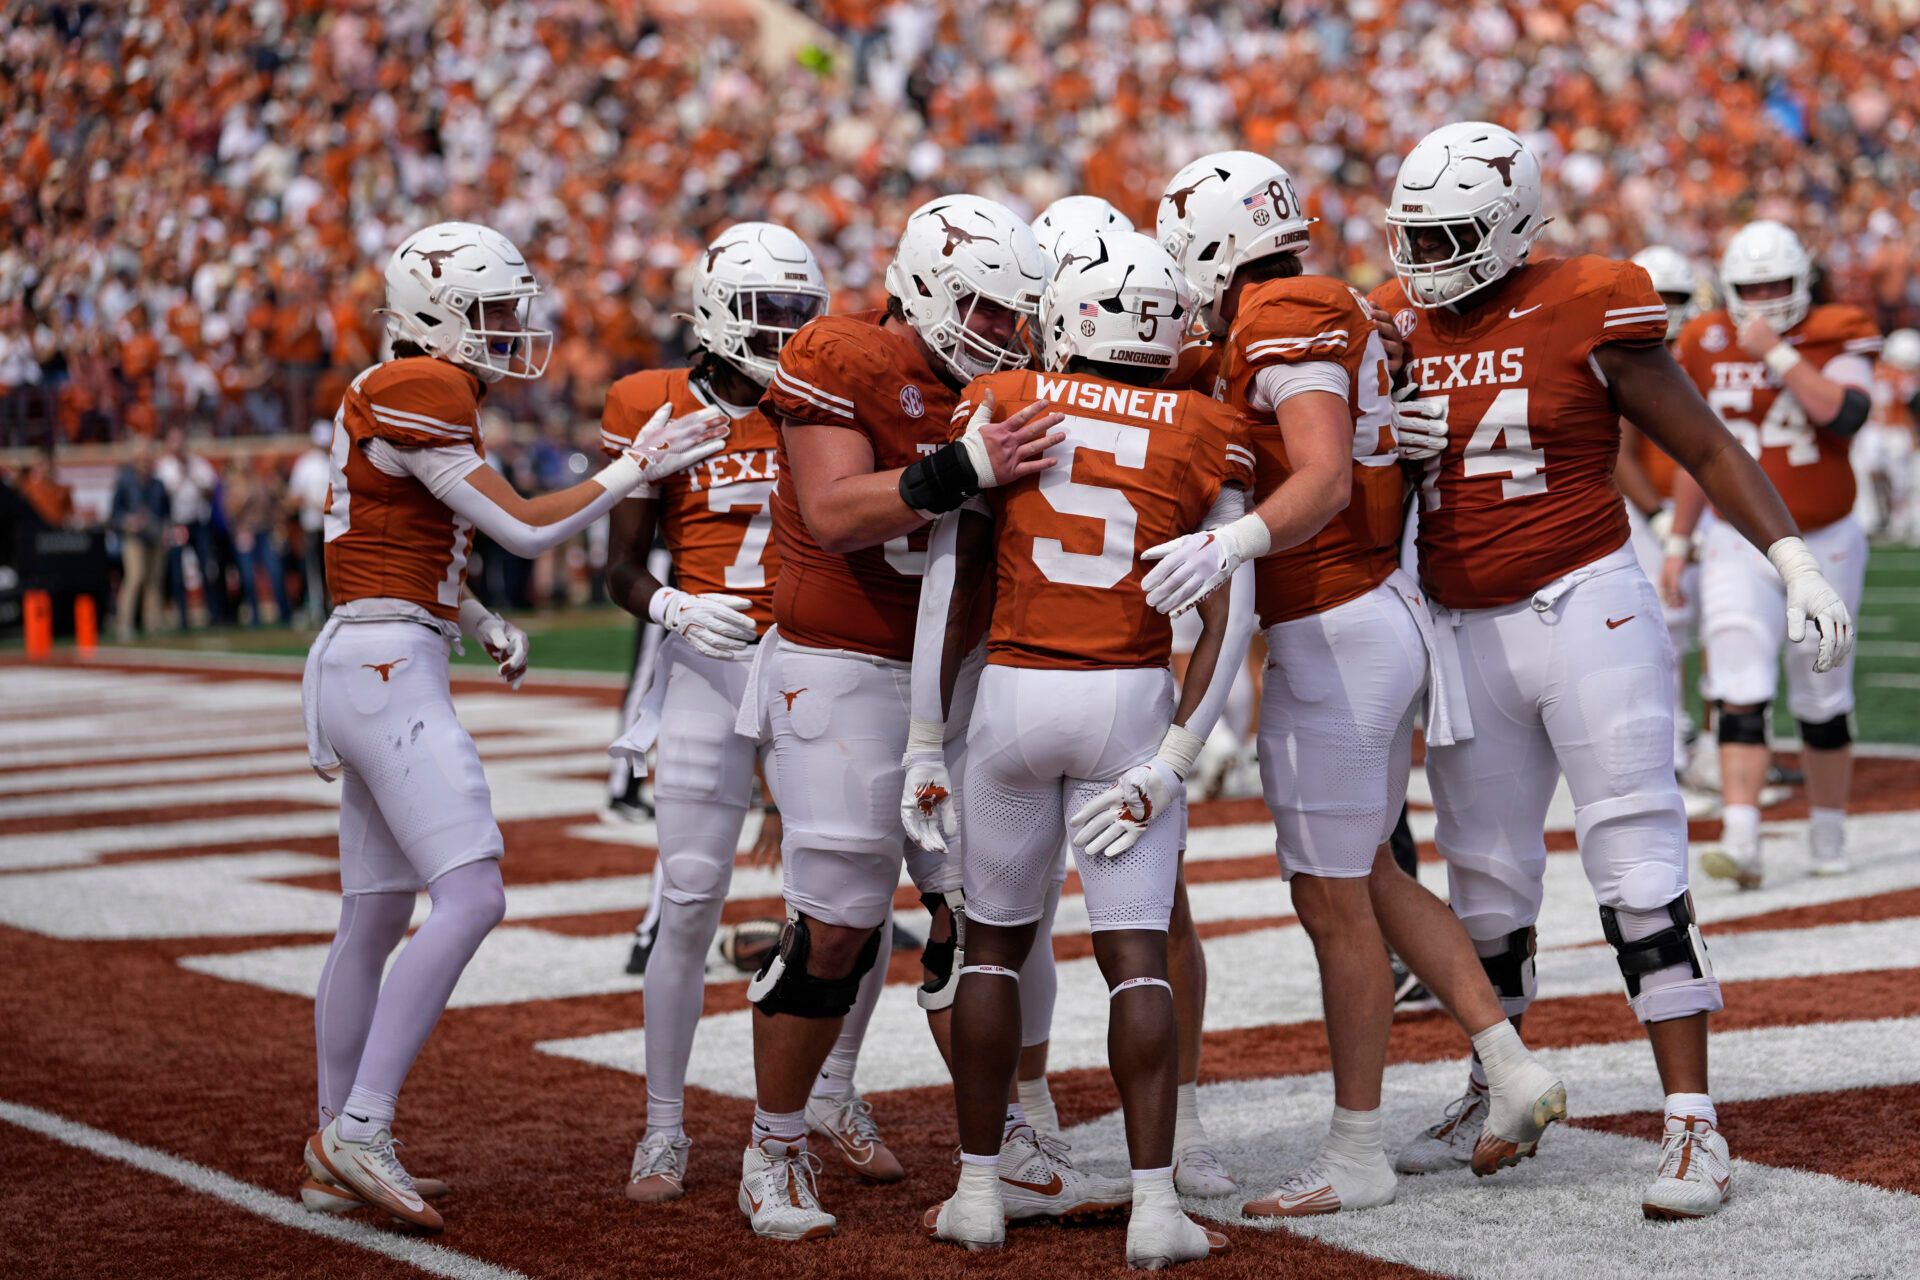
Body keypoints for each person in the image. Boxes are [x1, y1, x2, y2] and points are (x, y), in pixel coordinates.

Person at [1363, 123, 1853, 1219]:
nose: (1426, 257)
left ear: (1511, 226)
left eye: (1450, 234)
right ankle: (1498, 1085)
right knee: (1486, 879)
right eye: (1417, 233)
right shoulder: (1396, 326)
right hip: (1463, 622)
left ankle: (1691, 1121)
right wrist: (1380, 441)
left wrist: (1792, 559)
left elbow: (1710, 445)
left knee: (1636, 855)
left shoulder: (1594, 297)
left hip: (1589, 598)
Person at [1144, 150, 1565, 1216]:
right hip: (1365, 614)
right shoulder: (1325, 309)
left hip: (1333, 623)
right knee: (1364, 872)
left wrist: (1235, 539)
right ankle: (1509, 1063)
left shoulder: (1284, 311)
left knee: (1329, 897)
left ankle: (1356, 1149)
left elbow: (1324, 473)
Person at [298, 221, 728, 1232]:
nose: (508, 330)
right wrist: (636, 469)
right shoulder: (422, 386)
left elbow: (391, 533)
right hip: (387, 673)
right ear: (437, 314)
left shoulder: (398, 391)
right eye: (492, 312)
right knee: (473, 893)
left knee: (370, 914)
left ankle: (331, 1142)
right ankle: (357, 1125)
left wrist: (479, 618)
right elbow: (528, 525)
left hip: (374, 652)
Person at [910, 230, 1246, 1267]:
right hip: (1128, 698)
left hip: (1013, 692)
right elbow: (1234, 608)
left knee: (993, 947)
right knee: (1135, 956)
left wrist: (928, 732)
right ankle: (1155, 1206)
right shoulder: (1204, 423)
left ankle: (975, 1189)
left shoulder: (1010, 396)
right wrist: (1179, 754)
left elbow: (948, 572)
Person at [736, 194, 1067, 1242]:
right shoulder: (842, 353)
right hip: (841, 668)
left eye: (1019, 317)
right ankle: (774, 1145)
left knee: (983, 917)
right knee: (834, 924)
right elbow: (835, 513)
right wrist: (961, 467)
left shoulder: (1005, 379)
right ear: (922, 283)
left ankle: (1001, 1130)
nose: (1005, 335)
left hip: (957, 681)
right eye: (987, 309)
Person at [600, 223, 899, 1204]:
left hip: (814, 666)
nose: (787, 331)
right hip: (705, 669)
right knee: (688, 893)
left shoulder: (825, 395)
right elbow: (619, 563)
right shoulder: (653, 401)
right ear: (720, 315)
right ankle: (663, 1123)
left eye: (798, 312)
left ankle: (834, 1091)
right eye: (768, 313)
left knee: (852, 888)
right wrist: (673, 604)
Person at [1023, 190, 1241, 1196]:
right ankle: (1127, 1118)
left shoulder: (1017, 383)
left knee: (1010, 913)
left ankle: (1034, 1118)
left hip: (1071, 645)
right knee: (1131, 910)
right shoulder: (1187, 379)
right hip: (1129, 648)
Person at [1661, 222, 1882, 886]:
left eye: (1775, 285)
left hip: (1827, 538)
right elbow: (1698, 450)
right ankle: (1743, 837)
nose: (1761, 298)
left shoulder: (1838, 325)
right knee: (1740, 685)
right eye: (1749, 287)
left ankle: (1828, 829)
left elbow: (1843, 414)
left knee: (1821, 693)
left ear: (1802, 283)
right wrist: (1677, 540)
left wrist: (1779, 355)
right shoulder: (1703, 339)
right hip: (1736, 538)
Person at [1617, 246, 1706, 776]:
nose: (1667, 312)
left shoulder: (1704, 352)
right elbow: (1619, 454)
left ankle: (1715, 745)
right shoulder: (1626, 353)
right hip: (1652, 513)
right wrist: (1657, 516)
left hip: (1708, 509)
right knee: (1664, 631)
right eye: (1658, 299)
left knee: (1720, 629)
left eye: (1675, 300)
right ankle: (1669, 749)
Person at [155, 426, 222, 628]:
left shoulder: (198, 464)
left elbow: (211, 489)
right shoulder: (163, 467)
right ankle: (182, 618)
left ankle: (213, 613)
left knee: (206, 567)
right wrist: (180, 478)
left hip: (198, 522)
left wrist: (192, 477)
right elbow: (162, 495)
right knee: (176, 571)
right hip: (177, 523)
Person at [1860, 328, 1920, 543]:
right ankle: (1886, 519)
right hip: (1883, 431)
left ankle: (1894, 521)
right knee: (1891, 478)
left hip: (1885, 431)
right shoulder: (1887, 373)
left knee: (1899, 480)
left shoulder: (1878, 370)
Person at [109, 439, 170, 641]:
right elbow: (115, 514)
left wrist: (163, 529)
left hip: (155, 536)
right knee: (135, 577)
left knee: (154, 581)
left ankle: (154, 623)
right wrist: (129, 521)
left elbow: (166, 512)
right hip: (133, 537)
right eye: (141, 458)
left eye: (148, 458)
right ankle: (124, 623)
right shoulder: (125, 483)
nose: (145, 462)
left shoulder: (158, 484)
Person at [224, 459, 291, 625]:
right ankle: (254, 617)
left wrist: (277, 524)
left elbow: (276, 505)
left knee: (275, 572)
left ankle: (284, 613)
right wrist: (245, 495)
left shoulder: (262, 483)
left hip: (264, 532)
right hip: (245, 534)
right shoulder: (233, 486)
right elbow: (230, 513)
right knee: (248, 577)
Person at [288, 419, 335, 624]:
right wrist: (313, 503)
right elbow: (294, 497)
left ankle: (333, 606)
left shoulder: (336, 460)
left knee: (332, 569)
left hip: (334, 524)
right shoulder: (306, 464)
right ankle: (318, 609)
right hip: (314, 523)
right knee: (315, 568)